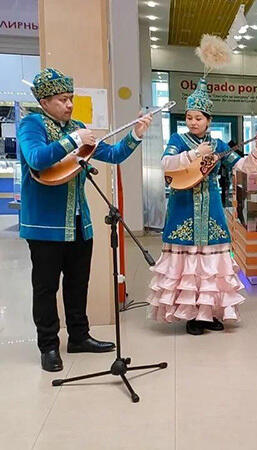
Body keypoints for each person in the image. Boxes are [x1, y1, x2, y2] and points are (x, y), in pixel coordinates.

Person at [18, 68, 152, 371]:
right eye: (62, 99)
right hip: (44, 226)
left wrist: (136, 134)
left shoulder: (77, 127)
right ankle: (48, 346)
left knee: (78, 283)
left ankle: (79, 337)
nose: (69, 104)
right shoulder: (31, 124)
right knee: (46, 287)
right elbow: (37, 158)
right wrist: (72, 140)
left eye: (71, 98)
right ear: (44, 101)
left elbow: (113, 155)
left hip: (80, 222)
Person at [146, 79, 257, 335]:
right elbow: (166, 163)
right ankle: (190, 315)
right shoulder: (178, 139)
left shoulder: (219, 144)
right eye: (189, 117)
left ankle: (208, 312)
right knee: (188, 262)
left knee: (211, 264)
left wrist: (256, 152)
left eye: (198, 118)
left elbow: (241, 166)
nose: (193, 122)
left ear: (209, 120)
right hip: (183, 205)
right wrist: (194, 154)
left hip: (211, 206)